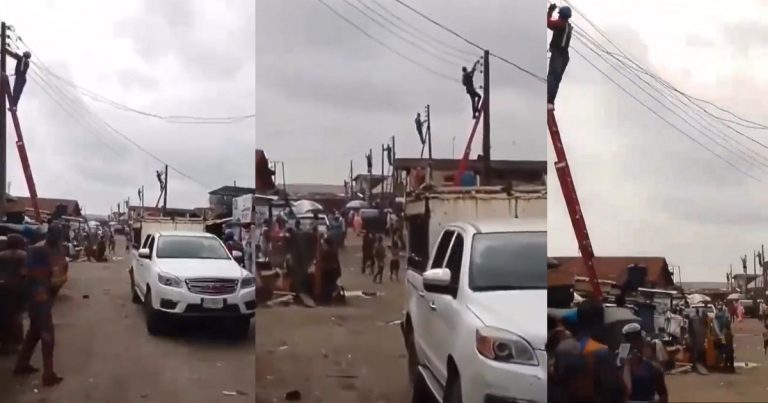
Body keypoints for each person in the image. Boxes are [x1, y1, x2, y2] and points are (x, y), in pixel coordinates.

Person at [14, 224, 65, 387]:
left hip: (45, 293)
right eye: (56, 235)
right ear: (49, 234)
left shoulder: (54, 248)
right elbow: (30, 273)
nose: (58, 239)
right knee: (47, 333)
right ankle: (48, 374)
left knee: (34, 332)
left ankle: (22, 364)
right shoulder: (38, 249)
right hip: (38, 294)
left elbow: (58, 269)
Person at [553, 300, 625, 402]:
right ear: (600, 320)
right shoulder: (603, 352)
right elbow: (614, 391)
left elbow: (556, 379)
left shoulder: (562, 347)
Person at [620, 323, 668, 403]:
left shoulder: (654, 369)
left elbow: (663, 396)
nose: (635, 345)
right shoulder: (619, 368)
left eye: (637, 340)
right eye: (631, 341)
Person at [0, 235, 28, 355]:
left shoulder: (1, 255)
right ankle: (16, 343)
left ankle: (4, 343)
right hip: (17, 289)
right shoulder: (23, 255)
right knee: (16, 315)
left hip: (2, 288)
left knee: (3, 315)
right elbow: (24, 272)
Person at [547, 4, 573, 111]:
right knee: (556, 79)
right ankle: (550, 102)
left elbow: (549, 23)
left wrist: (549, 11)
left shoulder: (561, 24)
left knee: (552, 77)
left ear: (561, 15)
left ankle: (548, 99)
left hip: (558, 54)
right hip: (564, 56)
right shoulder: (567, 26)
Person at [318, 237, 341, 304]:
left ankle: (326, 300)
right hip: (334, 270)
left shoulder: (327, 251)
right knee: (330, 285)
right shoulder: (334, 250)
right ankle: (328, 299)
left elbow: (323, 260)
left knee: (327, 285)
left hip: (329, 270)